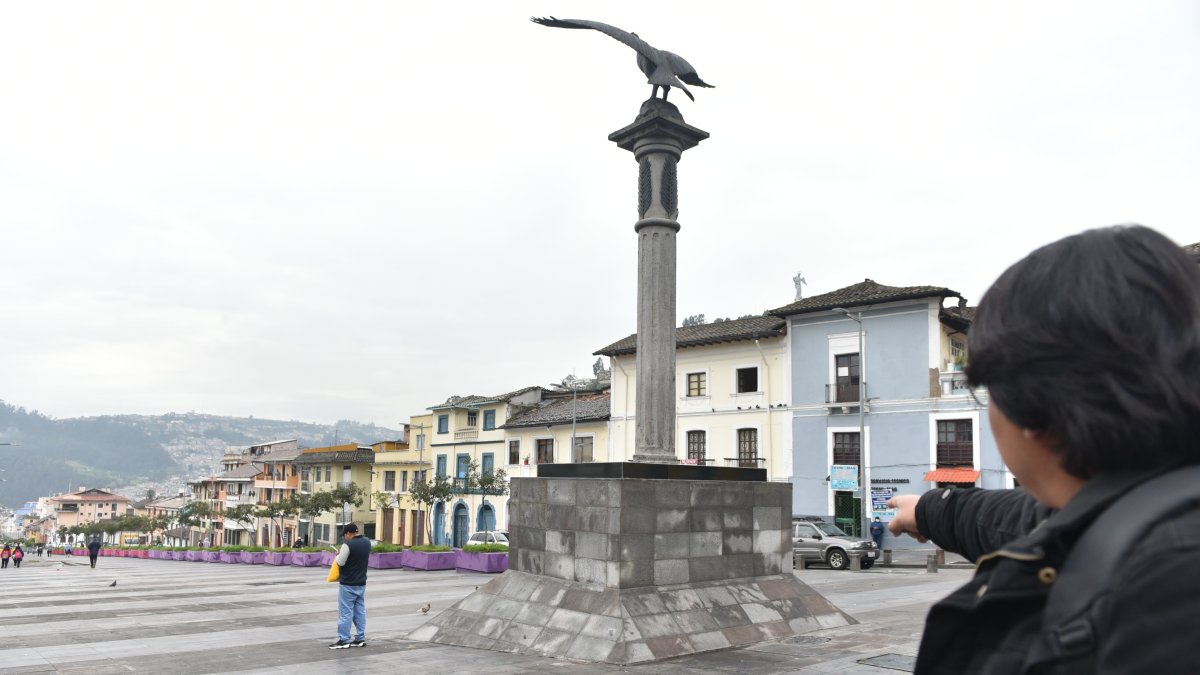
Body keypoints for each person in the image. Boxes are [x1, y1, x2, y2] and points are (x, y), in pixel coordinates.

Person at [886, 225, 1200, 674]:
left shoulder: (1167, 591)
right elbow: (1021, 520)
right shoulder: (1132, 508)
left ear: (1033, 410)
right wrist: (931, 509)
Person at [328, 523, 370, 649]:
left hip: (348, 584)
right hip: (361, 583)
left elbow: (340, 562)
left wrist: (339, 554)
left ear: (348, 533)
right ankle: (360, 638)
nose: (345, 537)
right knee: (360, 611)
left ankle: (344, 639)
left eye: (345, 535)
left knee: (345, 612)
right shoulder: (367, 542)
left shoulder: (347, 545)